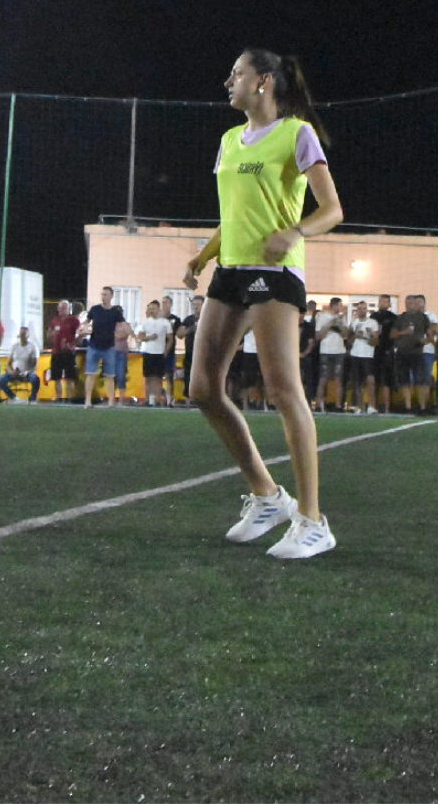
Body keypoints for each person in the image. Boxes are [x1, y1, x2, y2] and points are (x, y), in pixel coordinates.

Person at [183, 49, 344, 559]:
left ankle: (313, 521)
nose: (228, 81)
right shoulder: (229, 141)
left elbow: (332, 209)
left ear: (264, 82)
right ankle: (268, 496)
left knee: (283, 390)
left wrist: (295, 231)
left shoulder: (297, 133)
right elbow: (233, 216)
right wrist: (202, 256)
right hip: (230, 272)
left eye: (237, 73)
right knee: (203, 389)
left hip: (275, 274)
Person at [81, 286, 126, 408]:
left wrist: (132, 335)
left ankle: (111, 401)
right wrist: (83, 328)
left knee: (110, 375)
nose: (103, 297)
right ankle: (87, 401)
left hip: (109, 347)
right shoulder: (95, 309)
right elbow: (86, 321)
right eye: (102, 294)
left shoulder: (115, 312)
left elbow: (124, 325)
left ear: (111, 296)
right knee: (90, 374)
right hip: (94, 345)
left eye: (105, 294)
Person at [133, 298, 174, 407]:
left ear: (158, 309)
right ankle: (148, 399)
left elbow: (170, 338)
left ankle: (158, 399)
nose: (152, 310)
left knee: (158, 377)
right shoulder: (145, 322)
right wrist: (149, 337)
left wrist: (166, 351)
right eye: (150, 308)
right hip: (148, 352)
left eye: (154, 308)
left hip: (159, 353)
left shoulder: (165, 322)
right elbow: (140, 337)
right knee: (148, 377)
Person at [346, 300, 378, 414]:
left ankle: (372, 405)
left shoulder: (372, 323)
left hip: (368, 355)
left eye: (364, 308)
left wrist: (369, 335)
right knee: (356, 382)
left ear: (367, 310)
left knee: (370, 381)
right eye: (359, 308)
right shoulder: (353, 323)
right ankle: (359, 406)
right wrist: (355, 336)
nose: (361, 311)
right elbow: (348, 341)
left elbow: (375, 342)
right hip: (355, 354)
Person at [47, 299, 80, 402]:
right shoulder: (54, 320)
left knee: (70, 377)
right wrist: (52, 334)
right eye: (60, 308)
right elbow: (48, 335)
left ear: (68, 309)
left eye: (64, 308)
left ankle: (70, 398)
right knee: (56, 377)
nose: (62, 310)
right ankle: (59, 397)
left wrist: (72, 344)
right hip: (56, 352)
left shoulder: (74, 321)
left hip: (69, 352)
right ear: (58, 308)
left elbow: (79, 335)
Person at [6, 325, 39, 401]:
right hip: (15, 372)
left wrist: (27, 372)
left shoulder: (33, 347)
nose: (22, 336)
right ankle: (13, 397)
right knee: (1, 380)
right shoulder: (14, 346)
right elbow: (8, 364)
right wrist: (11, 371)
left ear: (28, 336)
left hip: (27, 373)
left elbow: (35, 365)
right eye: (21, 334)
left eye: (24, 334)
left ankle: (32, 397)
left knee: (35, 379)